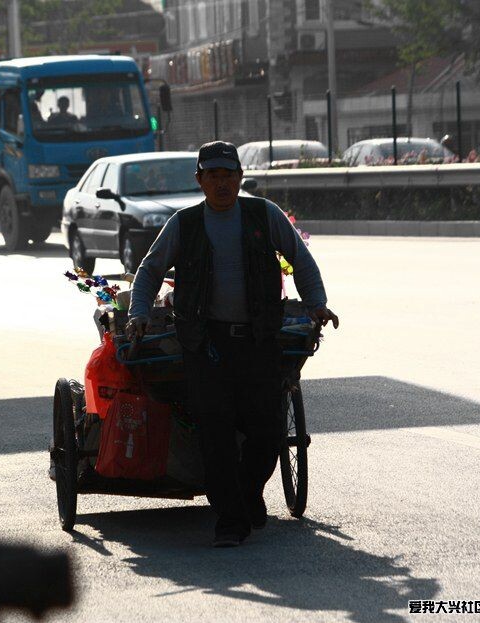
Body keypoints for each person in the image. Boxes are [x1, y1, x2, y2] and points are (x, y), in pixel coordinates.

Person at [127, 141, 339, 547]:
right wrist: (137, 313)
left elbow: (300, 258)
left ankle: (245, 493)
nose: (222, 183)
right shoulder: (184, 224)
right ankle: (230, 520)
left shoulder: (263, 215)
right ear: (200, 180)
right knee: (216, 430)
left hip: (258, 340)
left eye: (229, 175)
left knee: (268, 432)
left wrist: (317, 304)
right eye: (213, 176)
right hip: (205, 344)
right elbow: (150, 269)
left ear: (240, 179)